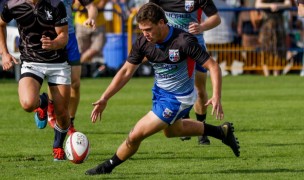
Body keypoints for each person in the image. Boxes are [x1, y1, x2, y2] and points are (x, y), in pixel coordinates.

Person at [85, 2, 240, 175]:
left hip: (179, 98)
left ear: (161, 23)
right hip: (160, 93)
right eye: (142, 30)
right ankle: (221, 132)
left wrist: (216, 95)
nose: (145, 34)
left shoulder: (183, 41)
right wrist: (105, 97)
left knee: (136, 134)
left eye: (148, 29)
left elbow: (213, 66)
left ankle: (107, 167)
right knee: (173, 131)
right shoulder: (143, 42)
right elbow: (126, 71)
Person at [0, 0, 70, 161]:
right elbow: (1, 24)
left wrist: (53, 44)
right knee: (27, 103)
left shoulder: (55, 4)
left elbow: (64, 36)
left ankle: (58, 146)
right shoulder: (13, 5)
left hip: (58, 63)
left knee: (63, 114)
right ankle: (43, 102)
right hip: (31, 62)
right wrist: (4, 53)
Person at [149, 0, 221, 145]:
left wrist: (202, 26)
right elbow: (149, 14)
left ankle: (202, 130)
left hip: (195, 46)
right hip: (172, 47)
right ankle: (183, 120)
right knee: (174, 87)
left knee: (200, 90)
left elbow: (216, 18)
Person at [47, 0, 98, 135]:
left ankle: (70, 122)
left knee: (75, 83)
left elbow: (91, 6)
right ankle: (50, 109)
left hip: (69, 38)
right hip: (50, 37)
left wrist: (91, 17)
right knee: (55, 78)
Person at [255, 0, 291, 76]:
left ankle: (276, 74)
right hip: (267, 23)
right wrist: (270, 5)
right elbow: (257, 4)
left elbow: (288, 4)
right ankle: (266, 75)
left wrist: (278, 5)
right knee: (265, 49)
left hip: (279, 23)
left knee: (278, 49)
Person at [74, 0, 108, 64]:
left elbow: (100, 5)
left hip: (98, 23)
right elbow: (76, 5)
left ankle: (80, 63)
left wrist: (90, 13)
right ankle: (83, 67)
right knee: (81, 49)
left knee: (97, 47)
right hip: (81, 23)